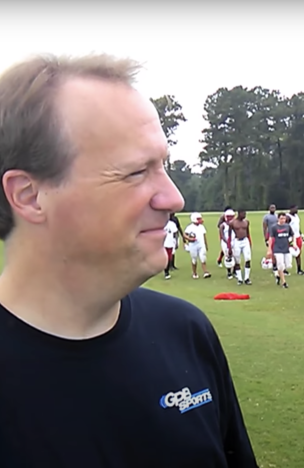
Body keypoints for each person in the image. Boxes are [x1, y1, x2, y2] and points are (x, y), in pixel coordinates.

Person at [0, 54, 258, 467]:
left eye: (164, 166)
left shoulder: (185, 332)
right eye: (136, 172)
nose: (174, 198)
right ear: (29, 196)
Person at [267, 212, 294, 289]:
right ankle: (284, 282)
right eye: (281, 218)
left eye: (284, 218)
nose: (283, 220)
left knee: (288, 265)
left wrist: (293, 243)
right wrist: (269, 249)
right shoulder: (274, 227)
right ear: (278, 219)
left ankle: (278, 275)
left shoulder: (288, 226)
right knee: (280, 266)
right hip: (277, 249)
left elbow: (292, 235)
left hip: (286, 249)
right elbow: (271, 238)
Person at [184, 212, 211, 279]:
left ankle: (205, 272)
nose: (200, 220)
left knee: (203, 258)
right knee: (194, 259)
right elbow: (184, 235)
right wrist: (189, 239)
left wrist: (206, 244)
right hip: (193, 246)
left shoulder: (202, 227)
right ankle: (194, 273)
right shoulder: (189, 227)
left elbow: (204, 236)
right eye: (198, 219)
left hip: (201, 245)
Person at [230, 209, 253, 285]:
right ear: (239, 214)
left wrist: (250, 242)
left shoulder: (246, 222)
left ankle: (246, 278)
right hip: (237, 241)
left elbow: (248, 233)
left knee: (248, 259)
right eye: (243, 214)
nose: (244, 215)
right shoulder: (232, 223)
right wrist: (229, 246)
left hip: (245, 240)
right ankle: (239, 278)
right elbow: (230, 235)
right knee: (237, 260)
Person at [262, 204, 286, 274]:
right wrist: (265, 237)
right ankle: (274, 265)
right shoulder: (266, 217)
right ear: (269, 209)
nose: (273, 209)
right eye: (271, 208)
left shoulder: (277, 216)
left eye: (274, 208)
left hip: (278, 234)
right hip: (270, 234)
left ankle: (280, 265)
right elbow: (264, 227)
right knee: (272, 250)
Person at [287, 205, 304, 275]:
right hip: (291, 238)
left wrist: (301, 235)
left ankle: (299, 269)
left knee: (298, 253)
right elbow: (285, 227)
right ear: (291, 209)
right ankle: (283, 269)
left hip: (298, 237)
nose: (296, 210)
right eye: (295, 209)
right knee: (287, 254)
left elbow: (297, 227)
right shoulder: (288, 217)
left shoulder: (296, 216)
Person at [219, 209, 236, 280]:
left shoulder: (235, 224)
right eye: (229, 217)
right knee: (228, 257)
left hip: (234, 241)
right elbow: (222, 235)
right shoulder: (223, 225)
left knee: (235, 256)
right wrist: (227, 242)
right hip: (226, 242)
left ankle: (235, 271)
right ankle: (229, 272)